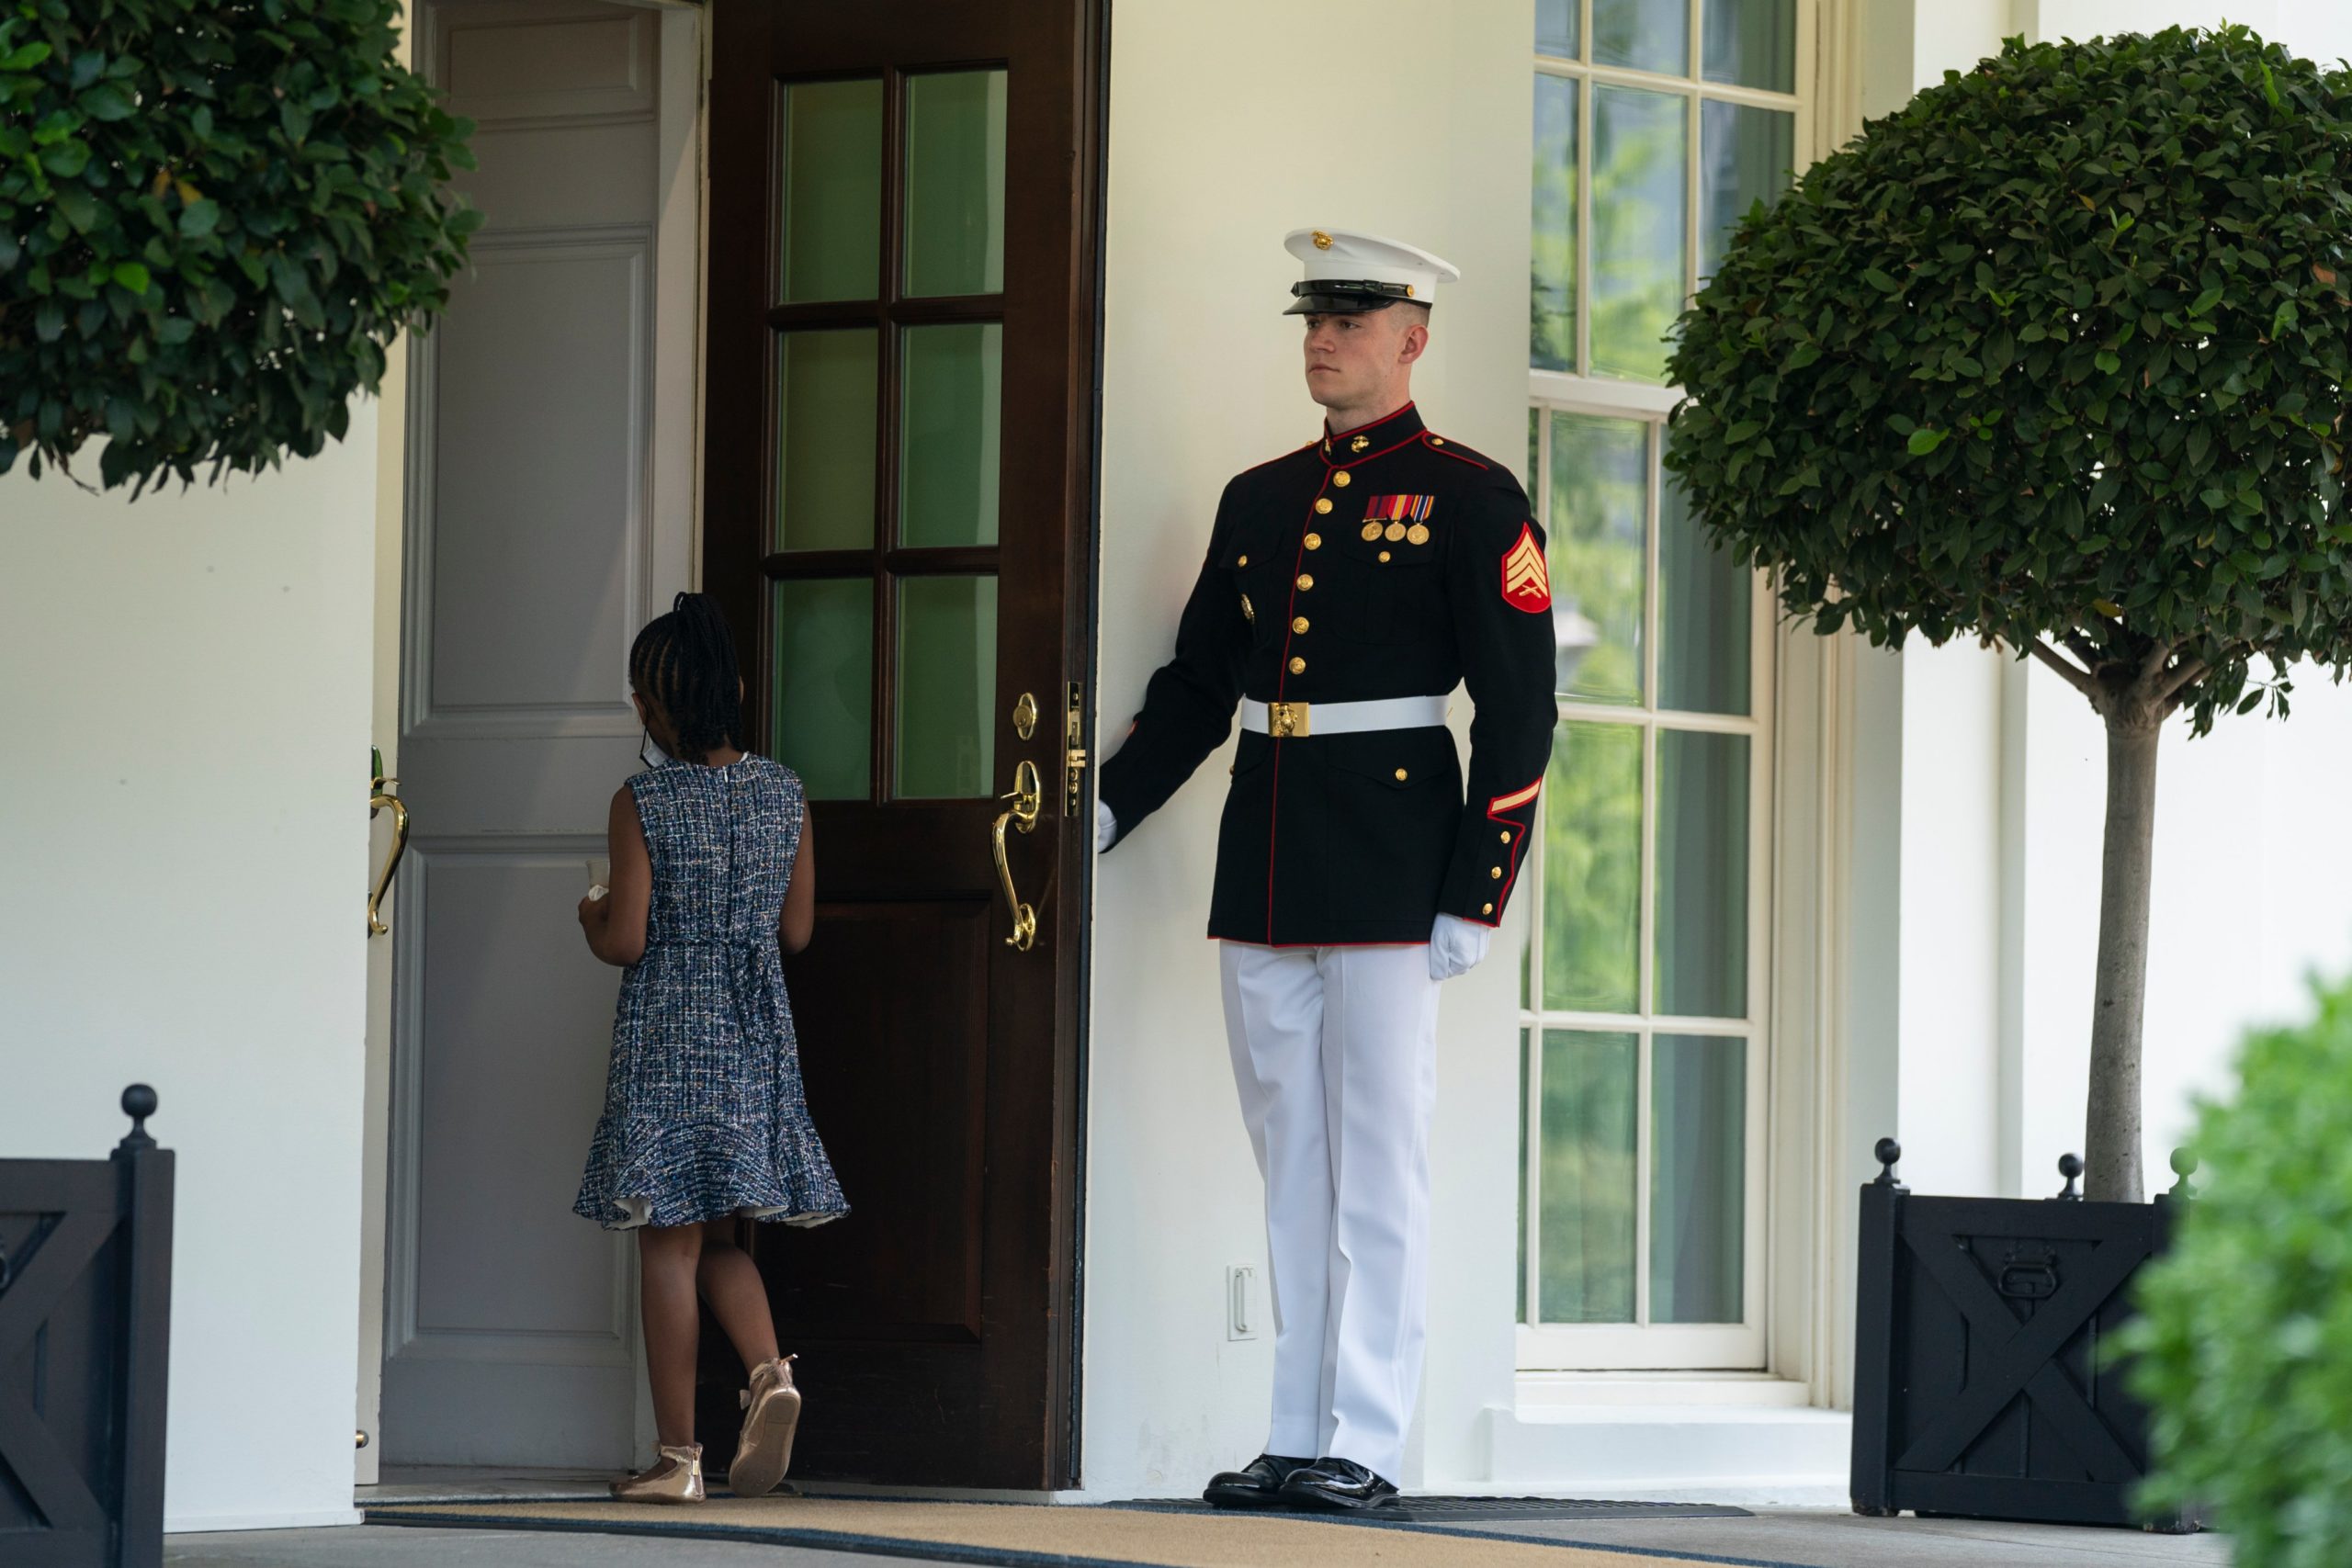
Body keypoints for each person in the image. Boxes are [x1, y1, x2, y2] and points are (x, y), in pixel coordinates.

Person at [1095, 230, 1557, 1511]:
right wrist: (1107, 808)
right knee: (1290, 1160)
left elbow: (1519, 712)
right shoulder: (1259, 497)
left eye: (1352, 318)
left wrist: (1476, 887)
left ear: (1413, 336)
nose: (1323, 336)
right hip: (1272, 854)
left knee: (1380, 1158)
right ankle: (1296, 1425)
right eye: (1313, 314)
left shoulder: (1470, 495)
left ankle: (1368, 1436)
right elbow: (1198, 685)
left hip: (1396, 860)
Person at [573, 592, 851, 1505]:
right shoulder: (783, 792)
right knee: (726, 1232)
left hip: (668, 1038)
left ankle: (678, 1460)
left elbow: (627, 940)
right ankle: (768, 1371)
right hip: (754, 1035)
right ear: (730, 691)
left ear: (655, 706)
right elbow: (798, 932)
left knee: (668, 1246)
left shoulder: (643, 799)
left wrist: (591, 914)